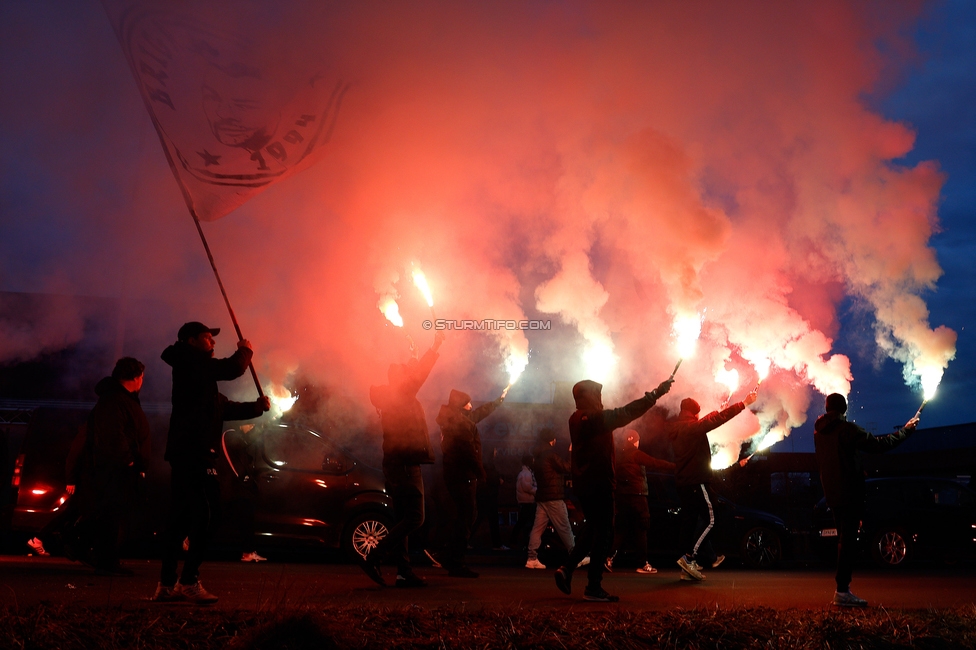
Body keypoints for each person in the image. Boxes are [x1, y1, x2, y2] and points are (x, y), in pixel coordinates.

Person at [152, 322, 270, 604]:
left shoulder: (198, 373)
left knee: (180, 519)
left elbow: (222, 406)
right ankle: (188, 581)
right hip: (194, 453)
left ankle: (168, 584)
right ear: (191, 340)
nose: (213, 343)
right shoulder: (190, 363)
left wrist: (256, 407)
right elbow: (231, 369)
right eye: (207, 338)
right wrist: (245, 352)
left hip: (190, 453)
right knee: (208, 514)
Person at [555, 377, 673, 602]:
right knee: (604, 534)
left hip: (584, 485)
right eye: (598, 395)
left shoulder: (575, 418)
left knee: (592, 529)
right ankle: (593, 587)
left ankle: (567, 569)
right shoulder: (594, 418)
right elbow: (625, 413)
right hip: (600, 484)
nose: (601, 399)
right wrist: (654, 395)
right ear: (591, 396)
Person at [814, 393, 918, 608]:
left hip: (832, 494)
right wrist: (906, 431)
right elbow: (880, 445)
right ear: (844, 409)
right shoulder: (848, 430)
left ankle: (842, 589)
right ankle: (842, 591)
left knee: (844, 541)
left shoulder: (819, 432)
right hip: (849, 493)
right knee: (847, 542)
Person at [361, 330, 445, 588]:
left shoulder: (392, 396)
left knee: (402, 518)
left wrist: (415, 357)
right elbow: (418, 375)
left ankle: (403, 571)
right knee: (416, 518)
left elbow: (413, 374)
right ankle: (374, 556)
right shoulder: (402, 393)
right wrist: (435, 346)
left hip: (396, 464)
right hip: (406, 465)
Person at [670, 392, 757, 581]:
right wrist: (743, 403)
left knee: (690, 523)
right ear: (694, 414)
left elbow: (709, 420)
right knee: (713, 518)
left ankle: (687, 568)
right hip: (696, 481)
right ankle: (689, 557)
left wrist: (718, 410)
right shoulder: (691, 428)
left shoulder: (680, 428)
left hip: (684, 483)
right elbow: (715, 421)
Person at [84, 357, 153, 576]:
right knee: (111, 515)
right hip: (116, 470)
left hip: (119, 469)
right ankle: (106, 562)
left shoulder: (122, 399)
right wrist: (129, 460)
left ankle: (109, 560)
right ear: (136, 377)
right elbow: (115, 434)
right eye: (142, 377)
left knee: (116, 515)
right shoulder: (115, 400)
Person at [435, 389, 504, 577]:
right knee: (466, 518)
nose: (471, 405)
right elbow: (468, 452)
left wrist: (498, 401)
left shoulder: (453, 419)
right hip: (463, 476)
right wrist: (481, 473)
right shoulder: (461, 425)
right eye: (468, 403)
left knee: (464, 517)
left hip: (455, 475)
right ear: (460, 405)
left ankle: (448, 555)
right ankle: (456, 562)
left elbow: (479, 413)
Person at [606, 429, 674, 574]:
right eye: (637, 440)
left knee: (621, 530)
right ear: (634, 441)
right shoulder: (636, 454)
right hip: (638, 497)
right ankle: (642, 563)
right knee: (641, 530)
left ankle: (608, 558)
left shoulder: (618, 456)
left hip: (622, 498)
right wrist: (676, 467)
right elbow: (655, 463)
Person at [525, 428, 574, 569]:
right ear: (551, 440)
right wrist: (570, 452)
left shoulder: (537, 456)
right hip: (554, 497)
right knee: (564, 527)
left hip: (542, 497)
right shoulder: (550, 455)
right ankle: (576, 555)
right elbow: (567, 467)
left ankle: (531, 558)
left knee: (537, 528)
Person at [470, 447, 506, 550]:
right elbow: (490, 478)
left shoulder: (483, 463)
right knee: (492, 520)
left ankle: (465, 540)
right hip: (489, 496)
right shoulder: (488, 465)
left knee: (480, 519)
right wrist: (499, 481)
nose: (496, 452)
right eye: (494, 450)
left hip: (484, 495)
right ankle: (497, 544)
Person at [508, 455, 537, 551]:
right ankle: (518, 542)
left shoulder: (524, 473)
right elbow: (528, 487)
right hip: (527, 501)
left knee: (523, 523)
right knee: (525, 523)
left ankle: (518, 542)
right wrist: (537, 490)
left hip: (525, 501)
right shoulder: (527, 474)